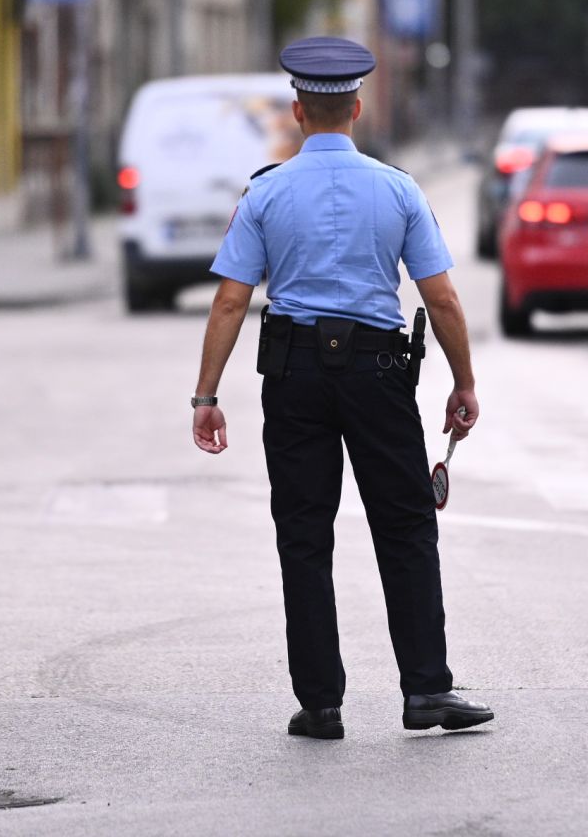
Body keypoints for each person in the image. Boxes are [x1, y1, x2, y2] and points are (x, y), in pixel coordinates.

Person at [190, 36, 490, 740]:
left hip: (293, 375)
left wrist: (205, 396)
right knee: (407, 527)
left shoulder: (266, 193)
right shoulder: (397, 190)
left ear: (298, 110)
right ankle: (424, 691)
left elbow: (231, 302)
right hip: (379, 376)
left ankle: (320, 704)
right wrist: (463, 382)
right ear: (356, 107)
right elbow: (441, 299)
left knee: (303, 533)